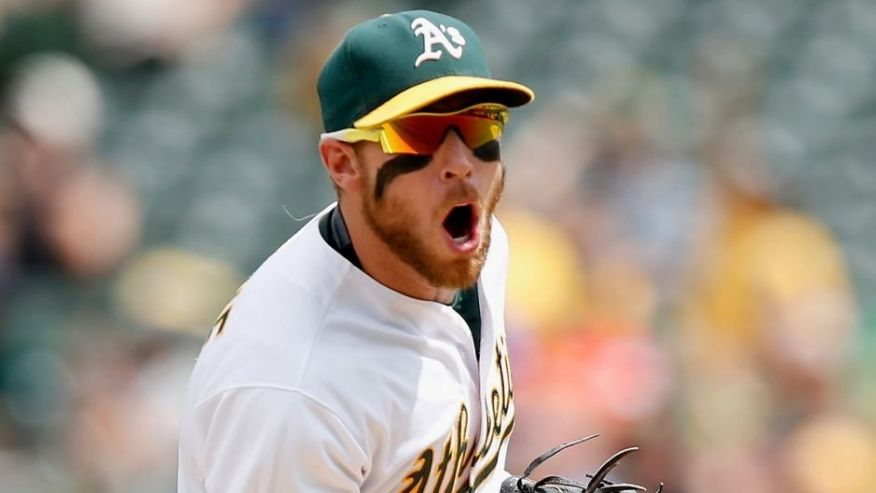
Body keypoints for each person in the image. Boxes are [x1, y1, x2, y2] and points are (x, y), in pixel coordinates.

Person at [178, 9, 535, 492]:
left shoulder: (480, 247)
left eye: (478, 125)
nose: (460, 163)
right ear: (343, 162)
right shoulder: (296, 392)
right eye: (420, 133)